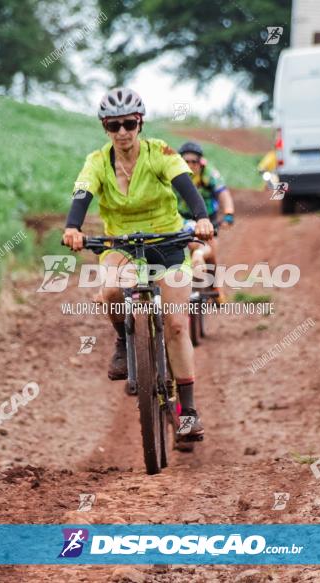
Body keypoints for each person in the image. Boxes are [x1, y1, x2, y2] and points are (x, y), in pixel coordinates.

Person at [62, 88, 214, 439]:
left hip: (167, 242)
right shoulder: (97, 162)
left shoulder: (159, 152)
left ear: (140, 122)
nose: (122, 132)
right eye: (113, 125)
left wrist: (202, 218)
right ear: (105, 127)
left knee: (176, 325)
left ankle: (188, 411)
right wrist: (72, 227)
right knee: (111, 290)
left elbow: (184, 185)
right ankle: (122, 340)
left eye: (129, 123)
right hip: (122, 244)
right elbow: (82, 193)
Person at [175, 141, 235, 303]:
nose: (190, 165)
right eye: (186, 161)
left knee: (211, 252)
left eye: (194, 162)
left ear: (201, 162)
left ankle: (215, 285)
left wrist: (228, 214)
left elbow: (223, 194)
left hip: (208, 218)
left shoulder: (209, 174)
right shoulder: (173, 174)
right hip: (180, 219)